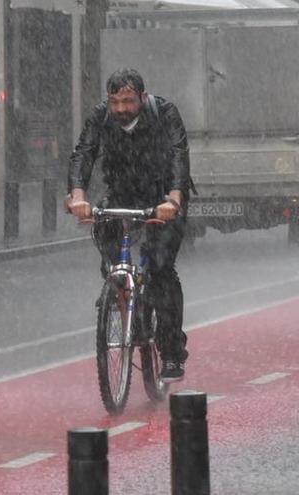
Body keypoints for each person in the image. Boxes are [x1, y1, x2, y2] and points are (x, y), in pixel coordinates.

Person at [66, 69, 191, 380]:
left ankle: (172, 351)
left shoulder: (164, 113)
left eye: (128, 101)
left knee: (161, 268)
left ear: (142, 98)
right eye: (114, 102)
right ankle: (117, 290)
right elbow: (83, 153)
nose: (121, 109)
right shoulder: (100, 117)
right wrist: (78, 197)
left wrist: (173, 200)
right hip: (122, 193)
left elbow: (179, 156)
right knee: (105, 234)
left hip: (162, 196)